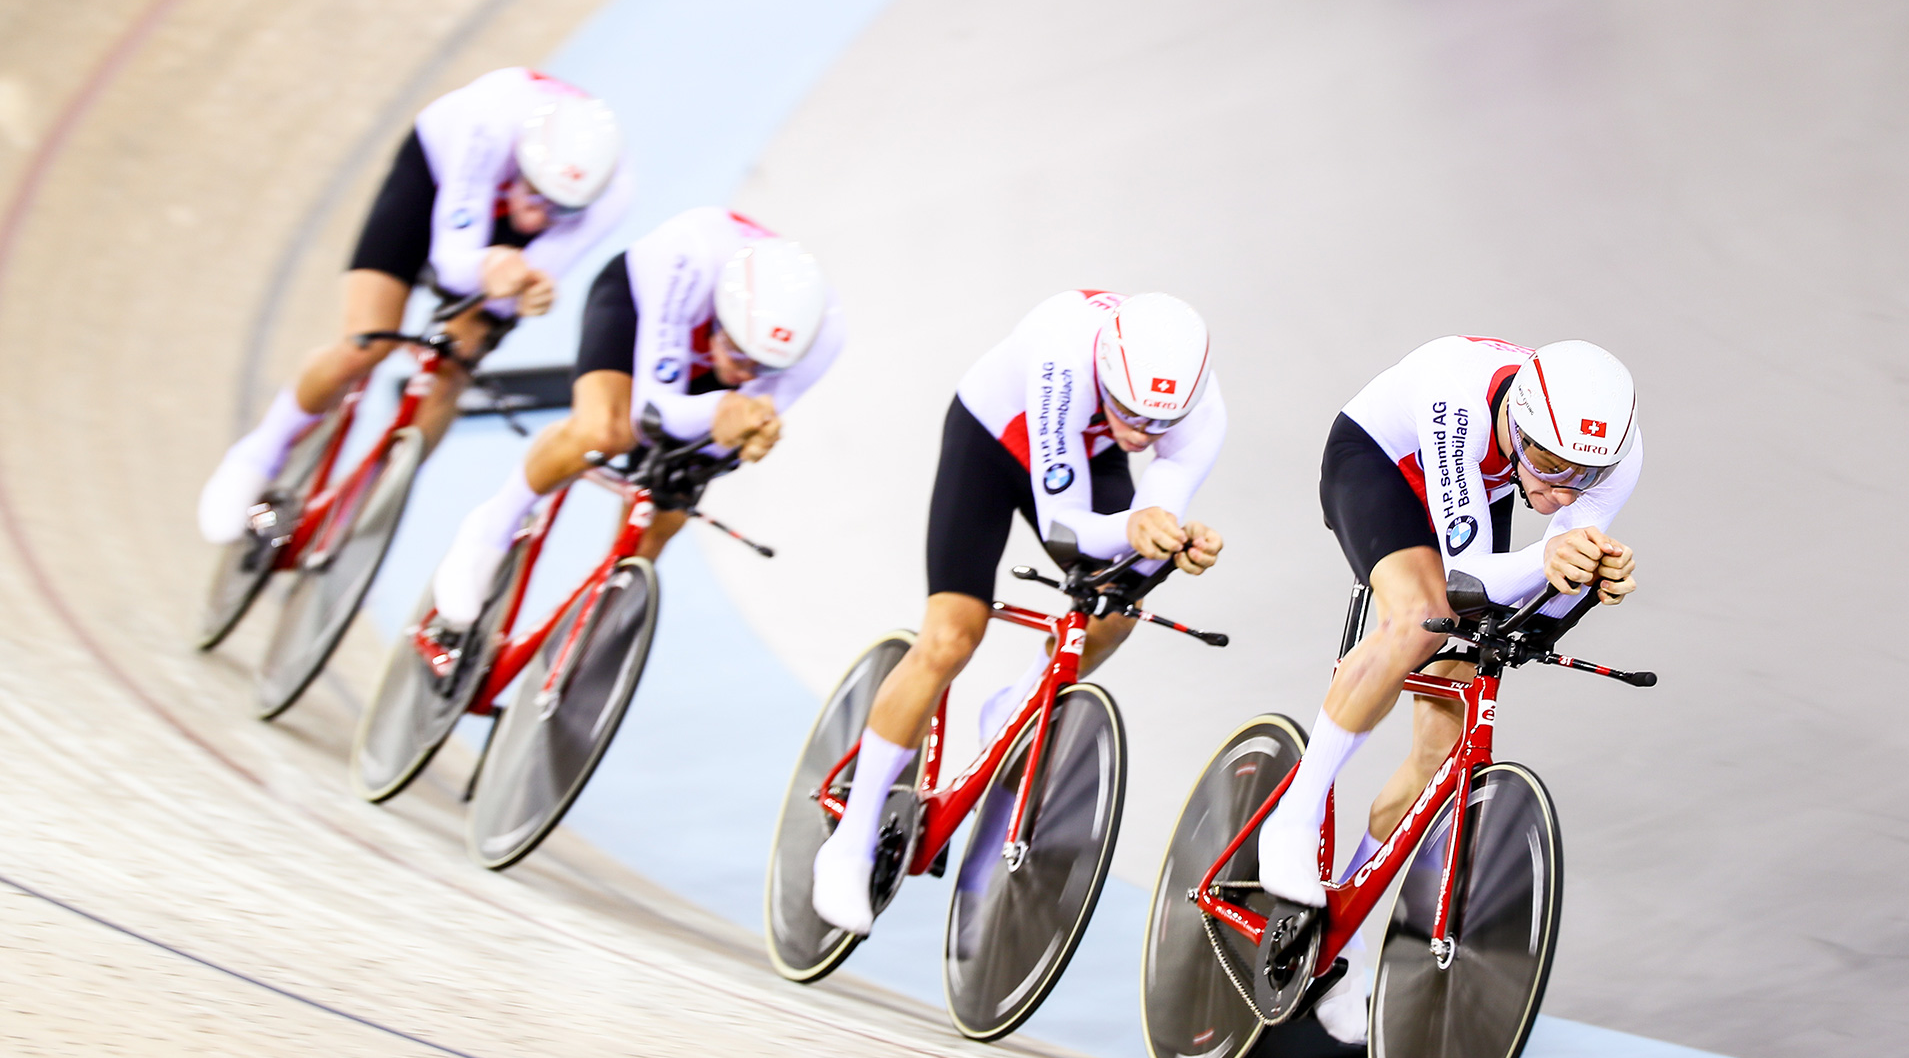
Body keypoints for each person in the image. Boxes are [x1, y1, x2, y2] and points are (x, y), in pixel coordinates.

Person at [1258, 335, 1643, 1042]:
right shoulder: (1458, 395)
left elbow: (1542, 595)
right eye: (1551, 464)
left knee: (1441, 750)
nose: (1560, 492)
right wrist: (1553, 555)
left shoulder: (1609, 460)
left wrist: (1589, 581)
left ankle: (1340, 934)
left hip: (1475, 486)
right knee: (1421, 619)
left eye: (1583, 475)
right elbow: (1466, 584)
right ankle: (1295, 814)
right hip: (1380, 462)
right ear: (1517, 424)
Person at [810, 289, 1228, 936]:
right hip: (992, 440)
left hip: (1080, 458)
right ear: (1105, 374)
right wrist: (1140, 527)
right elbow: (1067, 529)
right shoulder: (1065, 354)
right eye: (1127, 412)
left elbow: (1154, 509)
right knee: (951, 637)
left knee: (1123, 598)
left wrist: (1173, 542)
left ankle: (1019, 701)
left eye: (1154, 426)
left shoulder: (1200, 415)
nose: (1139, 435)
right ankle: (851, 840)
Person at [197, 67, 629, 543]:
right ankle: (259, 453)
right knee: (365, 345)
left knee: (452, 366)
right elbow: (451, 260)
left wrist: (530, 291)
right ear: (520, 161)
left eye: (558, 210)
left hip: (501, 238)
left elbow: (530, 276)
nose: (536, 216)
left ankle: (368, 510)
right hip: (438, 178)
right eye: (534, 194)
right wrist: (491, 266)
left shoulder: (609, 196)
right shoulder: (489, 124)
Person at [425, 205, 844, 629]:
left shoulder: (822, 339)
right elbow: (651, 413)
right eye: (737, 352)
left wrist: (746, 438)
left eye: (762, 368)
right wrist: (720, 408)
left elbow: (735, 435)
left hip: (716, 362)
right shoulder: (689, 259)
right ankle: (492, 526)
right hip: (642, 303)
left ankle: (592, 631)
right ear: (721, 314)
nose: (744, 373)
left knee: (669, 502)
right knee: (605, 431)